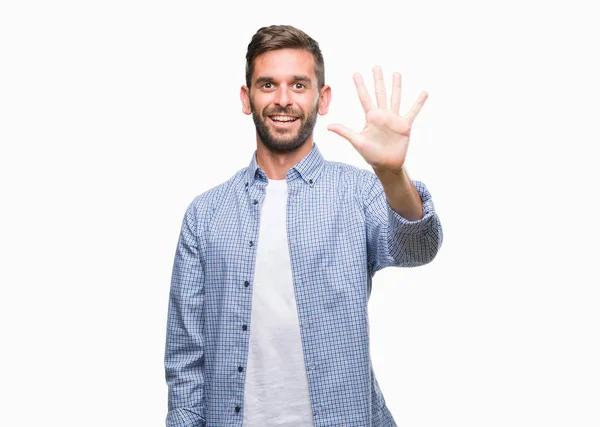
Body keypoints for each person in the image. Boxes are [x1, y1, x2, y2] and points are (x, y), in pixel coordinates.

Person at [164, 24, 443, 427]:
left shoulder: (359, 192)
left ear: (322, 97)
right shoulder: (205, 214)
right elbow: (186, 355)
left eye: (298, 85)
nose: (282, 99)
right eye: (267, 85)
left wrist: (392, 174)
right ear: (247, 98)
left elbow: (419, 249)